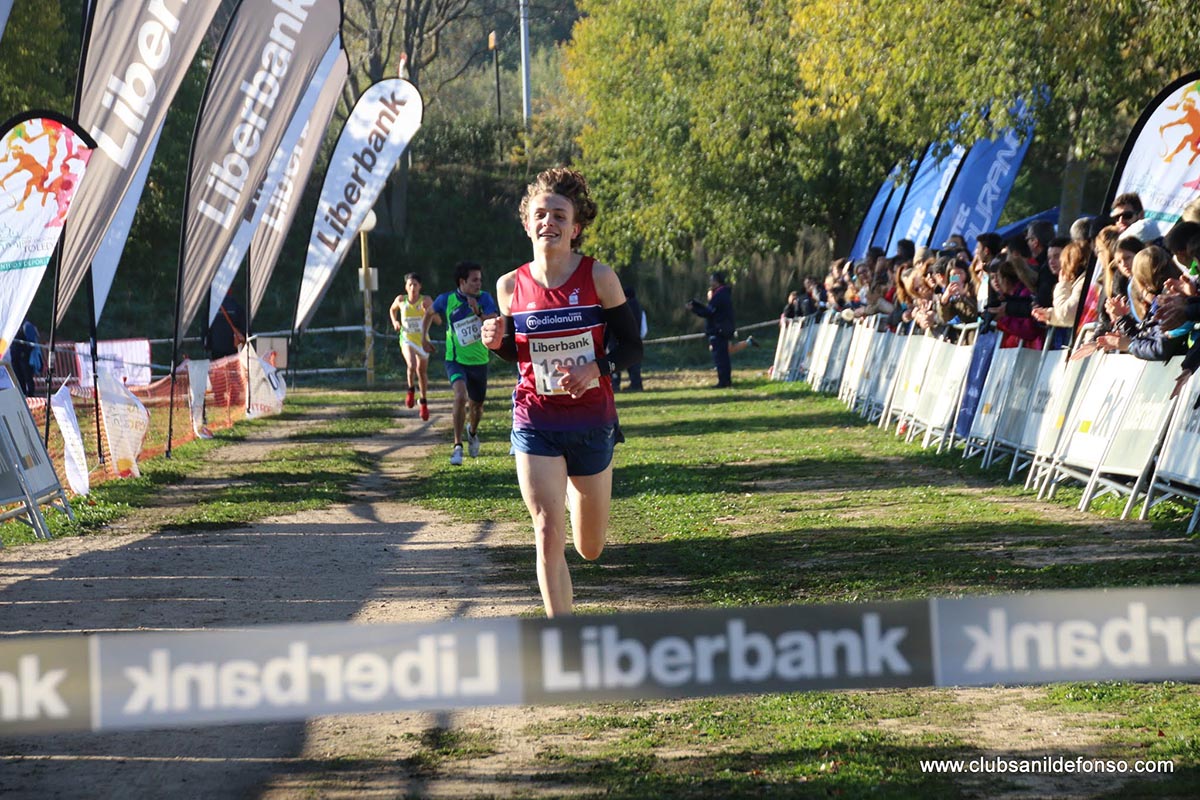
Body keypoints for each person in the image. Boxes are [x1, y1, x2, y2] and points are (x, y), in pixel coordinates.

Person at [481, 167, 642, 617]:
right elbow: (518, 354)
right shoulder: (511, 286)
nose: (548, 221)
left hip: (592, 423)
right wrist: (497, 343)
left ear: (576, 227)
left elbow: (632, 347)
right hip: (536, 421)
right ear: (527, 223)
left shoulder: (600, 278)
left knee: (590, 548)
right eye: (540, 214)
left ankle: (575, 491)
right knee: (547, 530)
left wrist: (597, 367)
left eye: (558, 214)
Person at [426, 261, 498, 465]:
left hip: (480, 361)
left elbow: (493, 320)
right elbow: (429, 314)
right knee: (460, 396)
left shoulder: (485, 298)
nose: (479, 284)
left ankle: (472, 432)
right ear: (462, 281)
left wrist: (478, 313)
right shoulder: (446, 299)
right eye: (474, 280)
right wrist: (424, 337)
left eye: (480, 280)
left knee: (477, 407)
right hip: (455, 360)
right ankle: (457, 446)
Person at [389, 272, 433, 420]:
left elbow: (436, 317)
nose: (412, 287)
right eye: (410, 284)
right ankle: (410, 390)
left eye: (415, 284)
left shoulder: (426, 300)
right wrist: (395, 322)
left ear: (420, 286)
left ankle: (424, 402)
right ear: (406, 287)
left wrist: (428, 312)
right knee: (412, 364)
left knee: (422, 372)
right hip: (406, 338)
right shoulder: (401, 300)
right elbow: (392, 309)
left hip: (422, 340)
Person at [686, 271, 736, 387]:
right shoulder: (722, 294)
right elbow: (710, 309)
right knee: (723, 357)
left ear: (717, 281)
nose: (710, 282)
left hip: (718, 330)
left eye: (712, 280)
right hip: (721, 329)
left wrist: (694, 309)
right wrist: (697, 305)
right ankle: (725, 380)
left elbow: (708, 312)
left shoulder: (719, 295)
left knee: (720, 358)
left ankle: (723, 381)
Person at [609, 284, 646, 391]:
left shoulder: (621, 307)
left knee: (616, 363)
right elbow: (643, 326)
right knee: (634, 363)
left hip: (618, 340)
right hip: (634, 339)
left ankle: (615, 384)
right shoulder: (638, 308)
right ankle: (636, 384)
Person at [10, 319, 41, 396]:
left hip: (25, 357)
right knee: (18, 377)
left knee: (27, 377)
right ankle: (22, 394)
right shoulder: (13, 325)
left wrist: (24, 353)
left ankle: (31, 395)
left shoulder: (27, 325)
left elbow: (31, 342)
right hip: (15, 356)